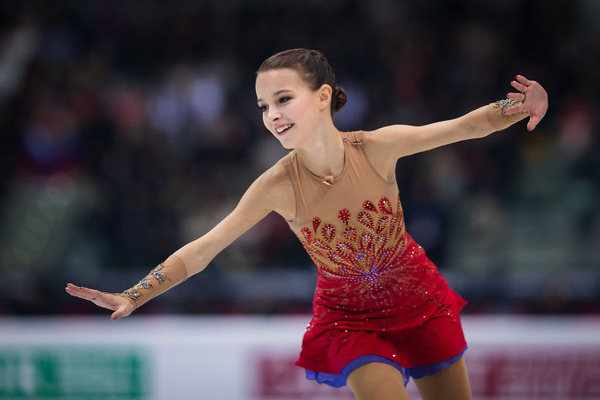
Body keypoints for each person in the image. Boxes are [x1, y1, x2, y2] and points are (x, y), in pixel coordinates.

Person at [66, 48, 548, 400]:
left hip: (419, 299)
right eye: (263, 107)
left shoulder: (376, 148)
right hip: (350, 321)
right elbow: (203, 249)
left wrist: (522, 107)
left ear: (322, 98)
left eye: (282, 99)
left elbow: (463, 126)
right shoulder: (276, 184)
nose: (272, 116)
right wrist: (135, 293)